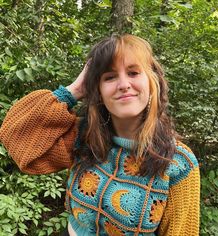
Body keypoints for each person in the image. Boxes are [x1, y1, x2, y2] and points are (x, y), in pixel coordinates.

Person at [0, 34, 200, 236]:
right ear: (99, 92)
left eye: (133, 72)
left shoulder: (177, 163)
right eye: (109, 77)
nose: (123, 84)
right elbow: (15, 137)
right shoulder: (84, 137)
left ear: (152, 82)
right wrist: (75, 90)